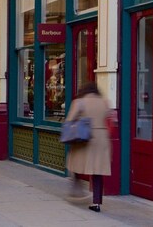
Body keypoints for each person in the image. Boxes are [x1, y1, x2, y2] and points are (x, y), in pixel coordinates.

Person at [66, 82, 111, 213]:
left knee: (74, 162)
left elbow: (69, 120)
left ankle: (77, 188)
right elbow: (108, 117)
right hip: (101, 138)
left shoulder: (79, 102)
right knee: (97, 171)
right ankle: (96, 203)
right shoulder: (104, 102)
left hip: (84, 137)